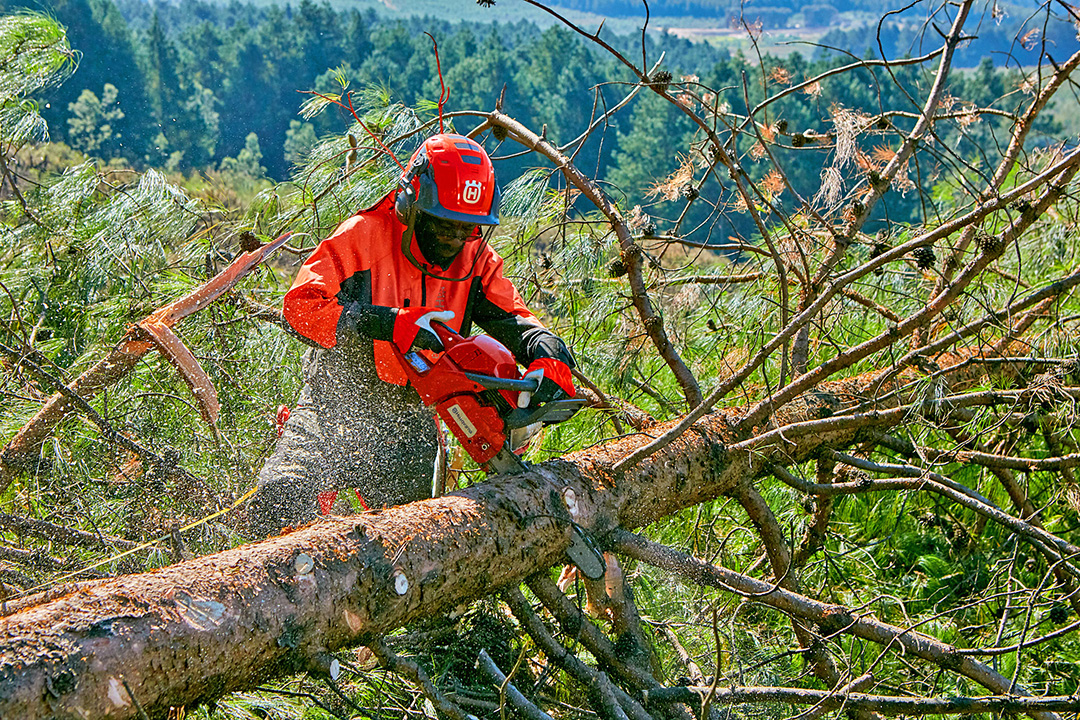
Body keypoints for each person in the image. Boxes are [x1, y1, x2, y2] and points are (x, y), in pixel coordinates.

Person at [249, 133, 576, 536]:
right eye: (444, 227)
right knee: (277, 503)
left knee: (414, 541)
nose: (455, 241)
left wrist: (549, 353)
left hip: (411, 416)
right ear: (411, 204)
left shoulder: (476, 260)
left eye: (467, 230)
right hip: (333, 405)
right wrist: (387, 323)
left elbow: (517, 321)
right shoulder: (364, 237)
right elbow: (301, 306)